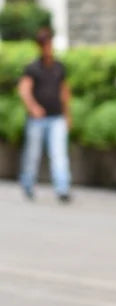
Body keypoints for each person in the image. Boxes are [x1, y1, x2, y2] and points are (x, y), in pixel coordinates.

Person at [18, 25, 72, 202]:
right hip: (37, 119)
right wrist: (33, 107)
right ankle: (28, 184)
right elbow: (24, 90)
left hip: (57, 117)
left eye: (49, 44)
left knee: (59, 154)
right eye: (44, 44)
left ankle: (62, 188)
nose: (47, 48)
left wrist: (67, 114)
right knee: (32, 155)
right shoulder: (32, 68)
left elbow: (64, 92)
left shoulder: (59, 67)